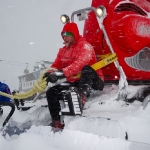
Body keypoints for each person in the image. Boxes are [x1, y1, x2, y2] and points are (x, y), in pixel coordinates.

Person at [44, 22, 104, 131]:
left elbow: (79, 64)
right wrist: (50, 72)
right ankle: (56, 122)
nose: (64, 37)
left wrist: (61, 73)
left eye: (67, 35)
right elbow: (56, 64)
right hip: (76, 81)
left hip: (95, 81)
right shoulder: (63, 50)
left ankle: (82, 96)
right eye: (63, 35)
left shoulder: (85, 46)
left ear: (74, 34)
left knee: (86, 69)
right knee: (51, 92)